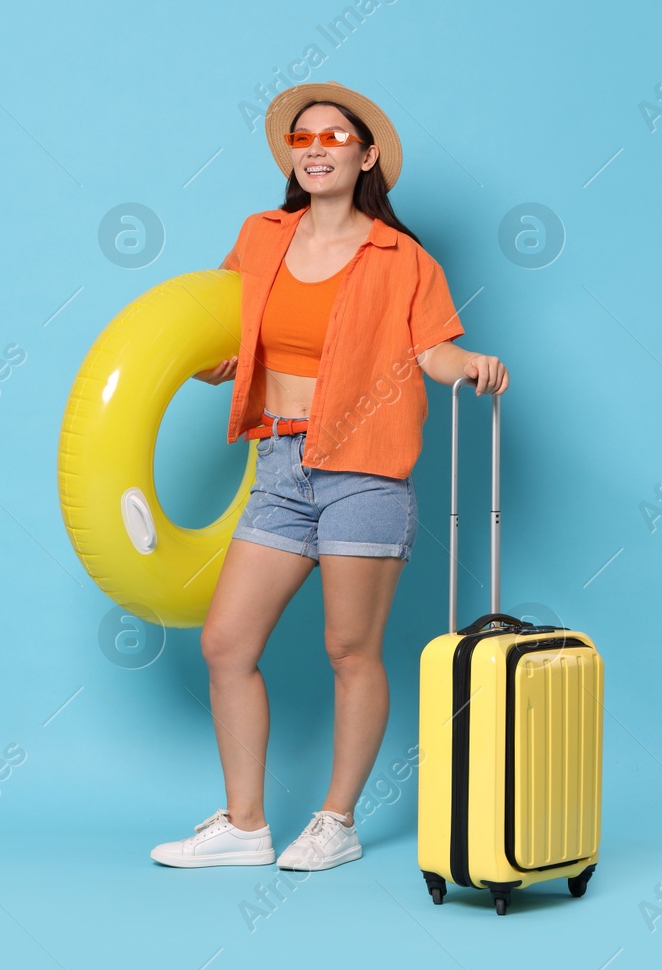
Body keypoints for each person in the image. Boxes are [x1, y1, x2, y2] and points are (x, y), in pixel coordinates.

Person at [150, 81, 509, 871]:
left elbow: (431, 350)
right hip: (278, 466)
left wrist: (468, 365)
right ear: (291, 156)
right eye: (302, 138)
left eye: (334, 138)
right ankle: (246, 824)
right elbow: (225, 338)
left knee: (350, 649)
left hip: (364, 471)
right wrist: (185, 361)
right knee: (226, 643)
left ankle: (336, 821)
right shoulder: (260, 236)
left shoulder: (401, 256)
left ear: (366, 154)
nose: (315, 148)